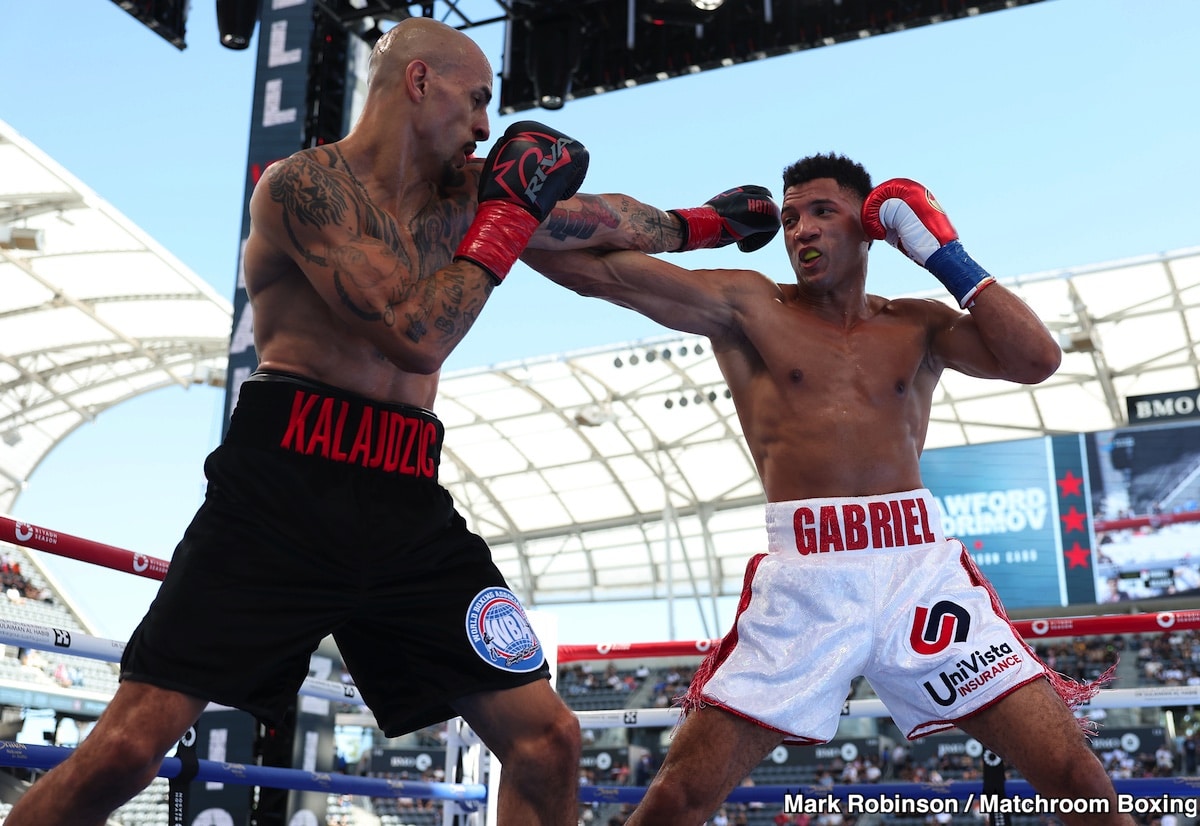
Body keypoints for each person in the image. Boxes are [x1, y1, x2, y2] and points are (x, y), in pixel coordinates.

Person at [1, 18, 779, 826]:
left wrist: (714, 221)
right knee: (131, 748)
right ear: (419, 83)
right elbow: (416, 336)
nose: (486, 124)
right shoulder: (305, 188)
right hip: (280, 493)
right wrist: (507, 221)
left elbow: (605, 219)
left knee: (549, 740)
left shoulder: (470, 195)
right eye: (477, 100)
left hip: (408, 500)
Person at [522, 152, 1134, 825]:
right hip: (806, 582)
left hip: (918, 574)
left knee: (1074, 772)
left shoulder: (917, 324)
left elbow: (1037, 359)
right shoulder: (749, 306)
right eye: (788, 219)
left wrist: (942, 253)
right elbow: (577, 265)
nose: (801, 230)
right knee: (679, 796)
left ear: (872, 226)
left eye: (821, 212)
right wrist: (695, 227)